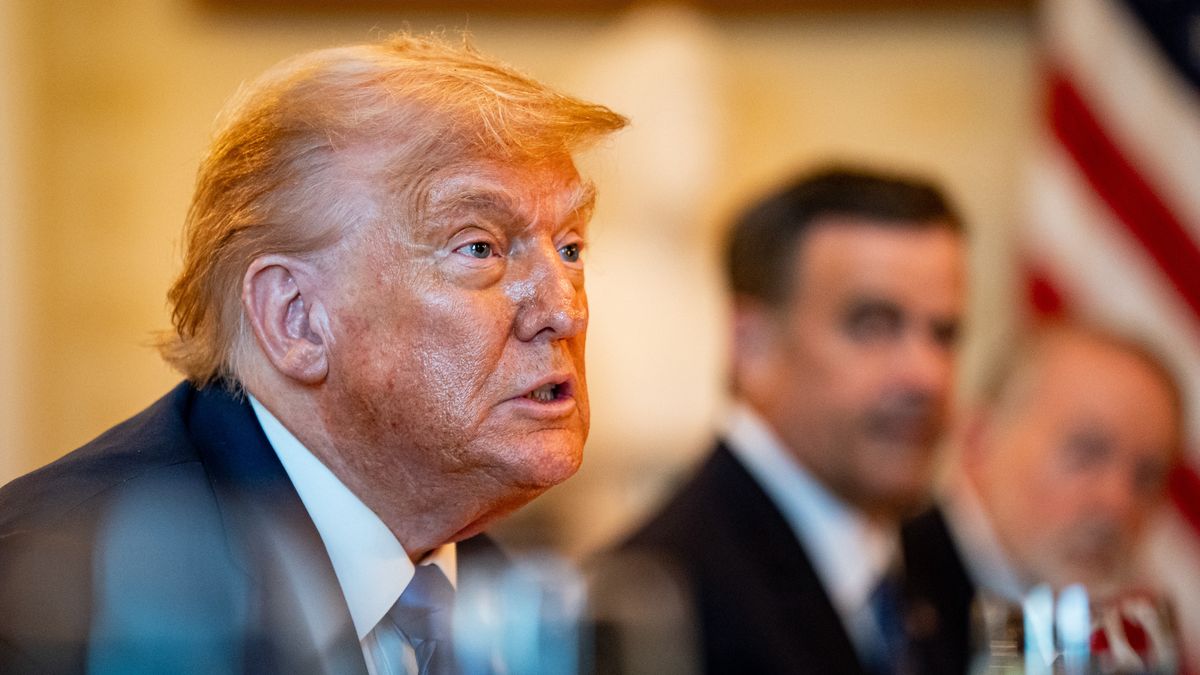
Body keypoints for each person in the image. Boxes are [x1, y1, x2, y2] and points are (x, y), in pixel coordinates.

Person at [0, 34, 626, 674]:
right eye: (479, 248)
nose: (566, 310)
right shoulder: (57, 600)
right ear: (295, 319)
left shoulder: (503, 595)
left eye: (570, 248)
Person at [618, 166, 968, 674]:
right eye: (873, 325)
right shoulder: (657, 603)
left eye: (944, 334)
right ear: (752, 346)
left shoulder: (939, 574)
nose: (926, 377)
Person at [903, 323, 1183, 672]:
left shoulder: (1090, 639)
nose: (1118, 503)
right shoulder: (883, 597)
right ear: (978, 440)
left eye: (1147, 477)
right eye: (1087, 452)